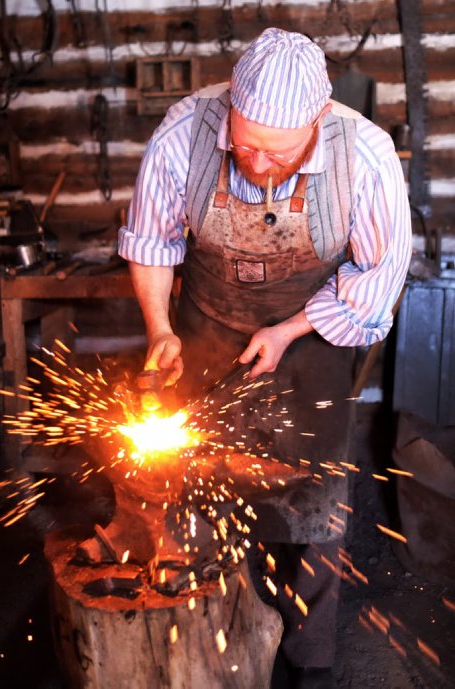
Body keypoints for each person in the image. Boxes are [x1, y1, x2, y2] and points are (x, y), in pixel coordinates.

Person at [119, 28, 412, 689]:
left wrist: (289, 329)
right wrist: (160, 328)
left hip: (310, 339)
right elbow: (151, 241)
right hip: (204, 328)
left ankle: (306, 658)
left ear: (318, 119)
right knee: (192, 485)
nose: (256, 162)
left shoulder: (362, 155)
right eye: (245, 144)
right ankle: (200, 646)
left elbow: (375, 276)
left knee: (312, 501)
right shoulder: (184, 131)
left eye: (278, 154)